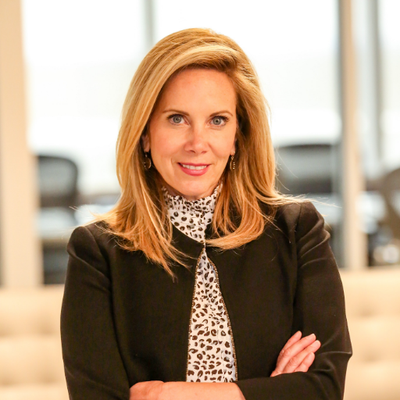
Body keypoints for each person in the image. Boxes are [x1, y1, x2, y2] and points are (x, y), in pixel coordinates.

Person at [61, 28, 352, 400]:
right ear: (145, 133)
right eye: (177, 119)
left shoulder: (297, 230)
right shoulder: (97, 252)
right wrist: (271, 391)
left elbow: (324, 389)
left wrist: (167, 395)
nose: (198, 143)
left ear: (237, 137)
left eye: (217, 120)